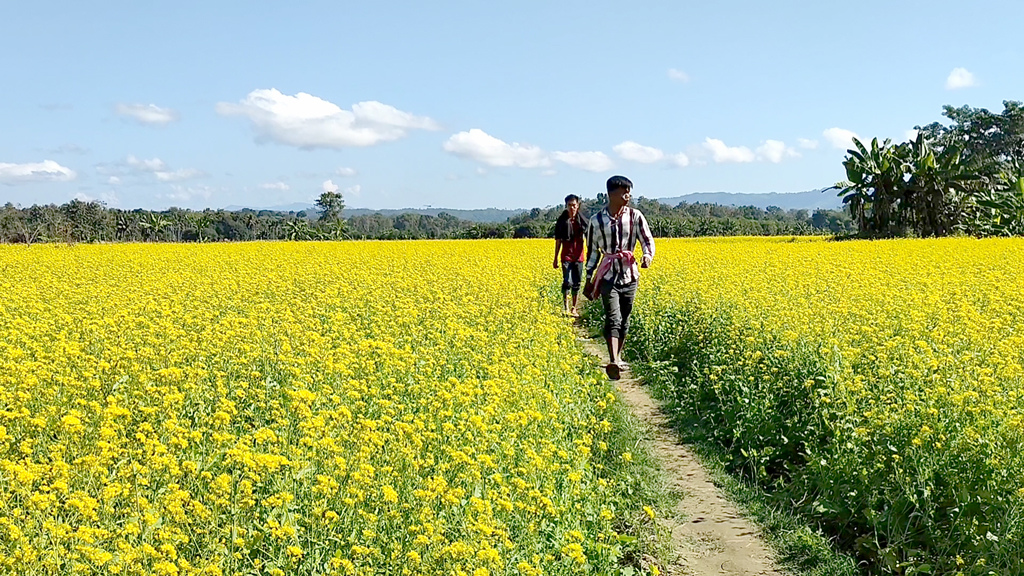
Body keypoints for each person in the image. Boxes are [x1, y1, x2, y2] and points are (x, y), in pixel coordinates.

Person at [584, 175, 655, 380]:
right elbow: (593, 252)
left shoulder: (635, 216)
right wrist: (589, 277)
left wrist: (647, 256)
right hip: (607, 276)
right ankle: (613, 360)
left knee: (625, 319)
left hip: (630, 275)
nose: (628, 195)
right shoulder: (596, 220)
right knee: (613, 317)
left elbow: (647, 240)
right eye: (623, 191)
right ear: (611, 194)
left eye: (629, 191)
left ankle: (619, 356)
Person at [553, 194, 587, 316]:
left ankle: (574, 308)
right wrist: (555, 258)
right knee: (567, 281)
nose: (572, 208)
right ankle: (566, 307)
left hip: (579, 256)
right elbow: (558, 240)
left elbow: (589, 235)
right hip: (566, 256)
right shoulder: (562, 222)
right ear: (566, 206)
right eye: (569, 205)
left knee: (577, 283)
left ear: (578, 206)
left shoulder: (582, 221)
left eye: (574, 205)